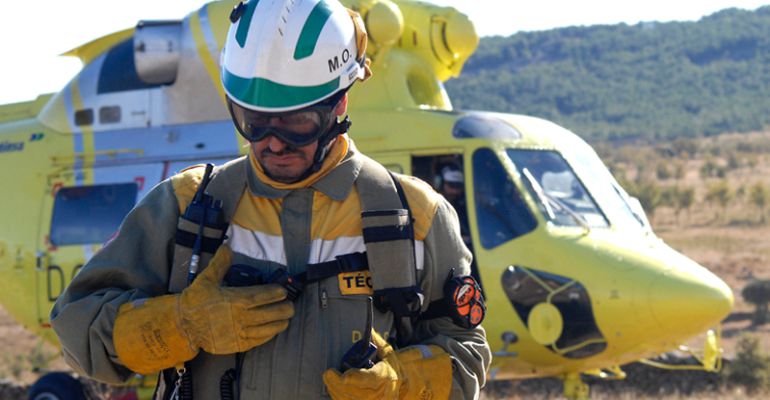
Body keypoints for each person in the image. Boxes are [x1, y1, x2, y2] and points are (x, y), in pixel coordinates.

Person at [50, 1, 491, 399]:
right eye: (253, 122)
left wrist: (401, 383)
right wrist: (180, 324)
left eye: (295, 123)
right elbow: (76, 329)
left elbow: (467, 352)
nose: (272, 144)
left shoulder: (414, 217)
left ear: (339, 104)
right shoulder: (188, 205)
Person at [438, 164, 471, 247]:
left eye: (458, 187)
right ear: (441, 184)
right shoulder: (434, 205)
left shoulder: (463, 207)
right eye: (451, 186)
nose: (455, 191)